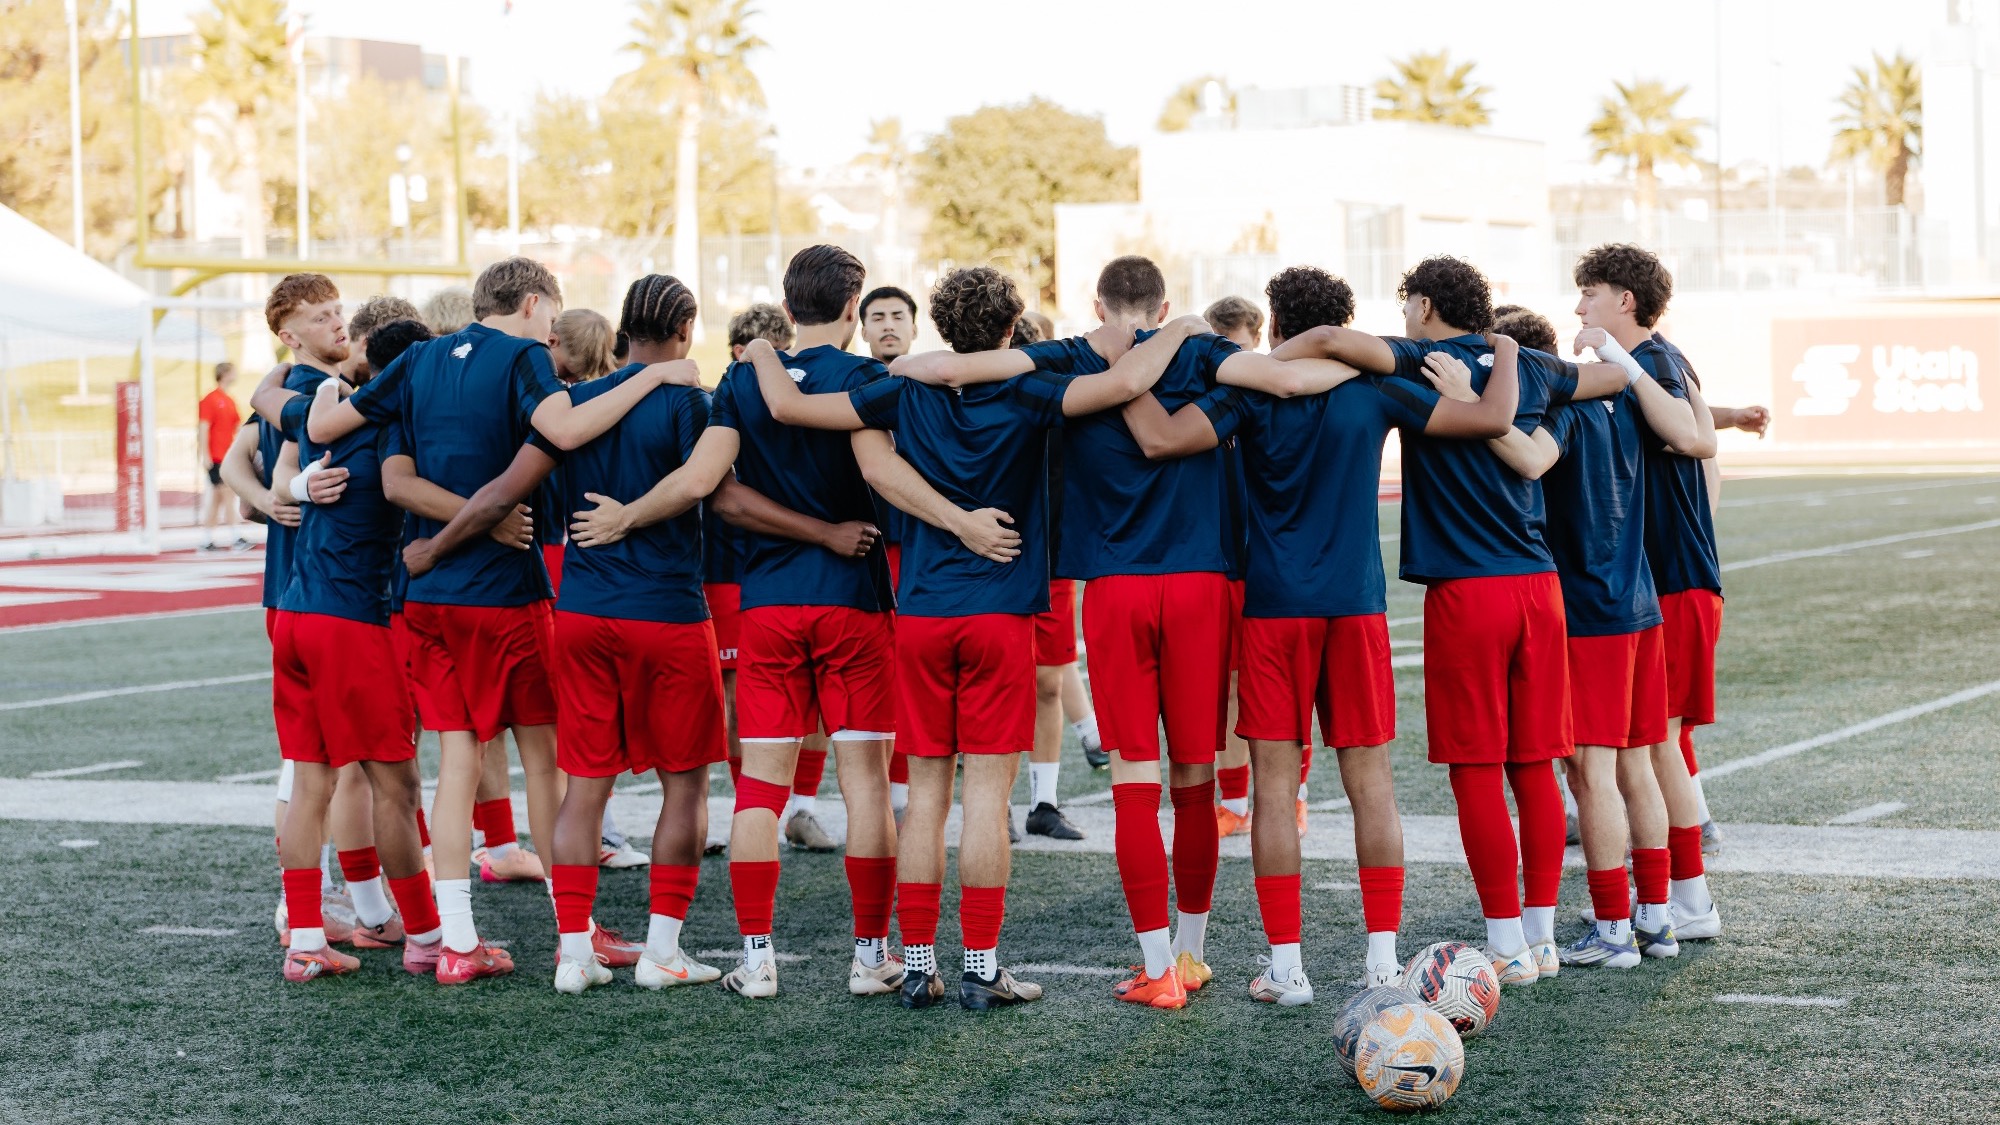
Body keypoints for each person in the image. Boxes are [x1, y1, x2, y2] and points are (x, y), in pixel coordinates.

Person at [895, 254, 1356, 1010]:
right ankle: (1193, 951)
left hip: (1113, 592)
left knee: (1134, 783)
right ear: (1165, 301)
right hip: (1203, 585)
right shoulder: (1207, 351)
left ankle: (1156, 970)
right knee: (1197, 780)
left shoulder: (1072, 357)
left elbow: (956, 369)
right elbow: (1284, 379)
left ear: (1097, 302)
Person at [755, 266, 1213, 1009]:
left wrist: (762, 354)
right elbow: (1127, 382)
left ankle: (915, 965)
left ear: (938, 322)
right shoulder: (1032, 386)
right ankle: (979, 965)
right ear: (1010, 327)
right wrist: (1185, 328)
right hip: (1000, 613)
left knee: (928, 793)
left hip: (926, 610)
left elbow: (792, 410)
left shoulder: (901, 385)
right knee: (988, 797)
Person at [567, 246, 1001, 1001]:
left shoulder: (740, 377)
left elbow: (715, 492)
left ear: (787, 300)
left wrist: (627, 517)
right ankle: (871, 956)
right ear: (853, 301)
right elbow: (877, 472)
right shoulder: (863, 378)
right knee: (864, 785)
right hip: (852, 604)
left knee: (759, 789)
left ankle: (758, 959)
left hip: (767, 605)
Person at [295, 256, 690, 984]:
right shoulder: (522, 357)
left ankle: (457, 941)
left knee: (456, 764)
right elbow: (564, 430)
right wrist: (655, 375)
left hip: (430, 599)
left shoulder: (416, 358)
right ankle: (577, 932)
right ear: (535, 304)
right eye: (552, 315)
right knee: (543, 758)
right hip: (504, 595)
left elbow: (360, 447)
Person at [1261, 256, 1633, 987]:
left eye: (1407, 306)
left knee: (1475, 772)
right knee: (1532, 766)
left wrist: (1273, 359)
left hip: (1470, 592)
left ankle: (1504, 943)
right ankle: (1542, 934)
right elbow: (1613, 379)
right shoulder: (1526, 363)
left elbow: (1337, 341)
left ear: (1425, 303)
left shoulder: (1416, 354)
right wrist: (1527, 370)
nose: (1402, 319)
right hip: (1539, 587)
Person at [1122, 266, 1436, 1000]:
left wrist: (1122, 374)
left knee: (1270, 788)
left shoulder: (1250, 389)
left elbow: (1163, 440)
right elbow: (1479, 418)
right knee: (1373, 785)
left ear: (1274, 321)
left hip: (1274, 608)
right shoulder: (1375, 387)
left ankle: (1287, 967)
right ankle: (1383, 961)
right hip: (1356, 605)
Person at [1459, 293, 1712, 969]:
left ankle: (1611, 927)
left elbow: (1533, 458)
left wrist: (1470, 408)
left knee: (1591, 773)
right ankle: (1656, 918)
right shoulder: (1624, 395)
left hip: (1592, 611)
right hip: (1640, 603)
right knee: (1640, 764)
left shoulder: (1561, 405)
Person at [253, 274, 443, 982]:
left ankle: (305, 938)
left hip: (296, 613)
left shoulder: (327, 398)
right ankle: (425, 935)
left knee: (312, 782)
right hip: (351, 623)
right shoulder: (398, 424)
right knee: (395, 785)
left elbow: (274, 409)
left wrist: (293, 484)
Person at [197, 363, 248, 551]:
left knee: (217, 499)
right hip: (217, 456)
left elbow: (238, 426)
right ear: (225, 374)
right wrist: (205, 455)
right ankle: (236, 537)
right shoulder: (210, 400)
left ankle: (207, 539)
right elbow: (203, 428)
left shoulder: (229, 400)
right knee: (227, 494)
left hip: (227, 455)